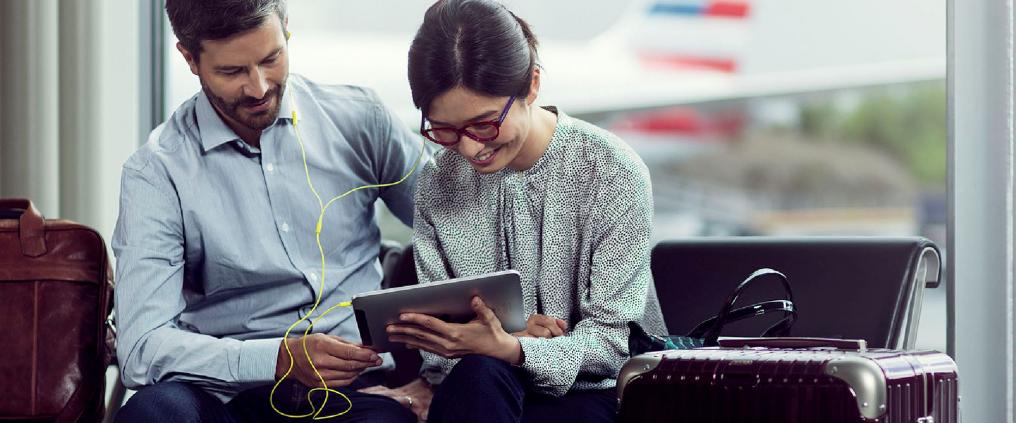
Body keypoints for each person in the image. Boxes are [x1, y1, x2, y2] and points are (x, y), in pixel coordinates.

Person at [112, 0, 421, 421]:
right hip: (223, 395)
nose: (258, 88)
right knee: (151, 415)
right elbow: (142, 347)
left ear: (286, 28)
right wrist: (277, 358)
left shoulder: (360, 120)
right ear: (189, 58)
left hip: (356, 391)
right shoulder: (156, 172)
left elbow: (457, 233)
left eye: (271, 59)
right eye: (232, 72)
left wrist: (438, 376)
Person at [360, 1, 667, 422]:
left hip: (597, 392)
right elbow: (440, 351)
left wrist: (511, 347)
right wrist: (509, 340)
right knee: (478, 374)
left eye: (484, 124)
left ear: (532, 86)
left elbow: (613, 346)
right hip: (479, 384)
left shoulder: (610, 170)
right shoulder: (439, 180)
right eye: (444, 130)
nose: (470, 148)